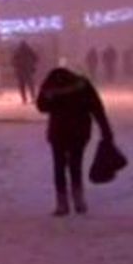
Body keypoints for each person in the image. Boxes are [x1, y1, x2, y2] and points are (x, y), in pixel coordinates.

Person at [37, 67, 114, 216]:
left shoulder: (51, 86)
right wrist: (106, 131)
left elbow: (41, 107)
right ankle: (78, 200)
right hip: (80, 131)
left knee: (59, 166)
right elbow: (97, 108)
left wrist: (51, 99)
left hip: (58, 132)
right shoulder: (83, 85)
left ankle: (62, 203)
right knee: (76, 164)